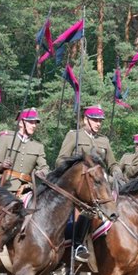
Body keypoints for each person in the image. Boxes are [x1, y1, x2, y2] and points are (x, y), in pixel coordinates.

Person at [56, 105, 125, 262]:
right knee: (86, 209)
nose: (98, 123)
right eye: (95, 120)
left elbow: (112, 163)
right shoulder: (74, 136)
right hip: (77, 185)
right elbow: (60, 160)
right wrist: (76, 170)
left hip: (97, 185)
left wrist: (116, 173)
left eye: (100, 121)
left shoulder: (104, 141)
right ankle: (77, 243)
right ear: (85, 120)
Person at [0, 109, 49, 194]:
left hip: (27, 189)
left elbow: (45, 168)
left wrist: (41, 172)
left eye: (35, 123)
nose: (34, 125)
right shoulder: (6, 140)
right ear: (21, 123)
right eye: (31, 122)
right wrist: (1, 166)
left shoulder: (38, 146)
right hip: (6, 186)